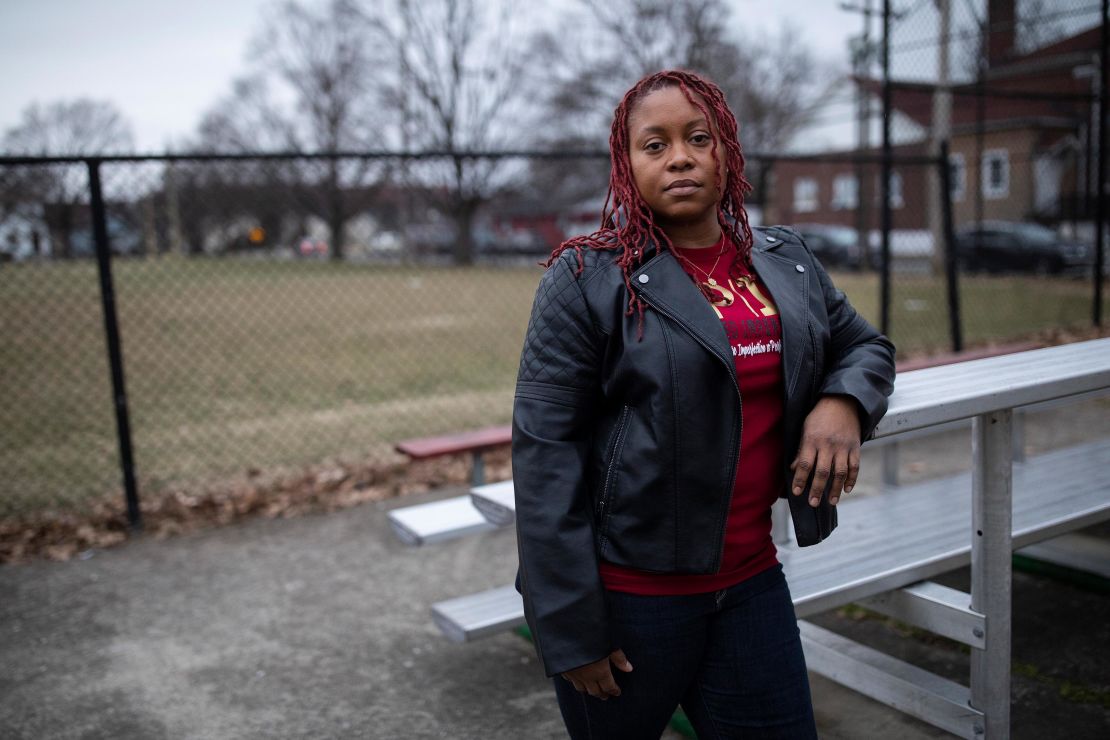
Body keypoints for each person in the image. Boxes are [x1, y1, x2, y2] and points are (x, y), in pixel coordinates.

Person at [511, 69, 896, 739]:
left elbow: (865, 346)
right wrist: (569, 625)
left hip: (752, 583)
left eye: (698, 137)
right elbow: (545, 454)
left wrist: (843, 403)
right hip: (632, 600)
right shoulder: (585, 278)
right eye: (653, 145)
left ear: (728, 153)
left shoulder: (787, 260)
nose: (680, 156)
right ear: (626, 167)